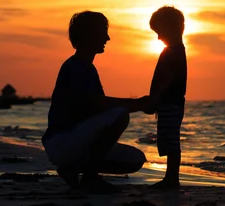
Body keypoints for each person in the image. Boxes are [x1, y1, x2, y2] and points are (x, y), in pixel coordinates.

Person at [42, 11, 150, 194]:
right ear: (88, 35)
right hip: (63, 141)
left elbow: (97, 108)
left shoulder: (87, 68)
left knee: (135, 159)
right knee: (120, 115)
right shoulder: (76, 67)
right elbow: (96, 104)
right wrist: (139, 104)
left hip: (75, 139)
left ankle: (73, 169)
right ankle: (90, 177)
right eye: (103, 32)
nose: (107, 38)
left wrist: (140, 104)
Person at [147, 6, 188, 190]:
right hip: (169, 102)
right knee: (168, 137)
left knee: (171, 139)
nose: (158, 37)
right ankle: (170, 177)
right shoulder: (174, 49)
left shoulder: (174, 51)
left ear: (170, 28)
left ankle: (172, 178)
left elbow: (166, 78)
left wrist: (154, 98)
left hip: (171, 102)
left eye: (159, 32)